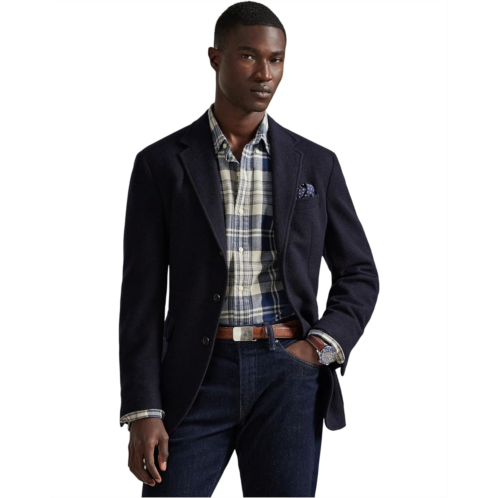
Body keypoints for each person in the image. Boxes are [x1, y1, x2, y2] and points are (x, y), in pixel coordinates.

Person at [119, 2, 379, 496]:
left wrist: (319, 347)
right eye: (248, 56)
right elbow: (141, 300)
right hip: (195, 378)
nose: (265, 73)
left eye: (276, 59)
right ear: (215, 58)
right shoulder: (161, 164)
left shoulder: (315, 163)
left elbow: (359, 272)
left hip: (289, 375)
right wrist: (142, 409)